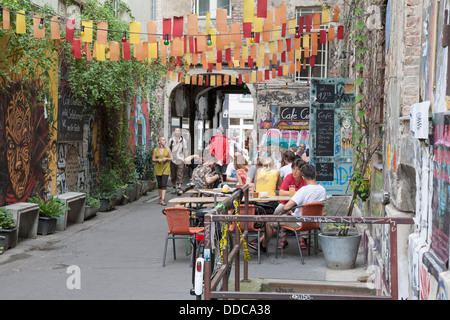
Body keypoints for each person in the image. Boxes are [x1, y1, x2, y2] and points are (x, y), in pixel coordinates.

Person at [249, 164, 326, 253]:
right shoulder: (322, 189)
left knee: (268, 222)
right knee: (278, 218)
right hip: (314, 223)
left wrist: (290, 211)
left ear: (303, 177)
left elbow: (286, 206)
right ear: (315, 174)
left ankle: (262, 245)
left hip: (298, 222)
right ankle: (258, 242)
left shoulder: (303, 190)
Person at [273, 158, 307, 249]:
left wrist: (293, 193)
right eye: (293, 169)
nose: (294, 172)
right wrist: (298, 192)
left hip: (300, 204)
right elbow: (281, 192)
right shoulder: (289, 177)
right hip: (287, 203)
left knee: (305, 213)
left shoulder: (305, 179)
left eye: (297, 169)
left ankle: (301, 238)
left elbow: (306, 193)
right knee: (277, 212)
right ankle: (283, 237)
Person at [152, 136, 172, 206]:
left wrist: (166, 158)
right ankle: (160, 198)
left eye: (165, 140)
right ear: (159, 141)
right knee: (159, 184)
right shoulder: (155, 150)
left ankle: (163, 200)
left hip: (166, 168)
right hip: (158, 168)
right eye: (163, 140)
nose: (164, 141)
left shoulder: (168, 149)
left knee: (164, 184)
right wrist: (158, 160)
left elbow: (171, 158)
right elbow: (153, 159)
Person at [168, 127, 188, 195]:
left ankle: (179, 187)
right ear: (174, 132)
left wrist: (186, 159)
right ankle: (174, 187)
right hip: (173, 159)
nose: (177, 132)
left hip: (180, 159)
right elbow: (169, 150)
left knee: (180, 173)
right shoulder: (171, 140)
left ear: (180, 132)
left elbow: (185, 150)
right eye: (176, 131)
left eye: (178, 131)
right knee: (173, 174)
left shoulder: (183, 140)